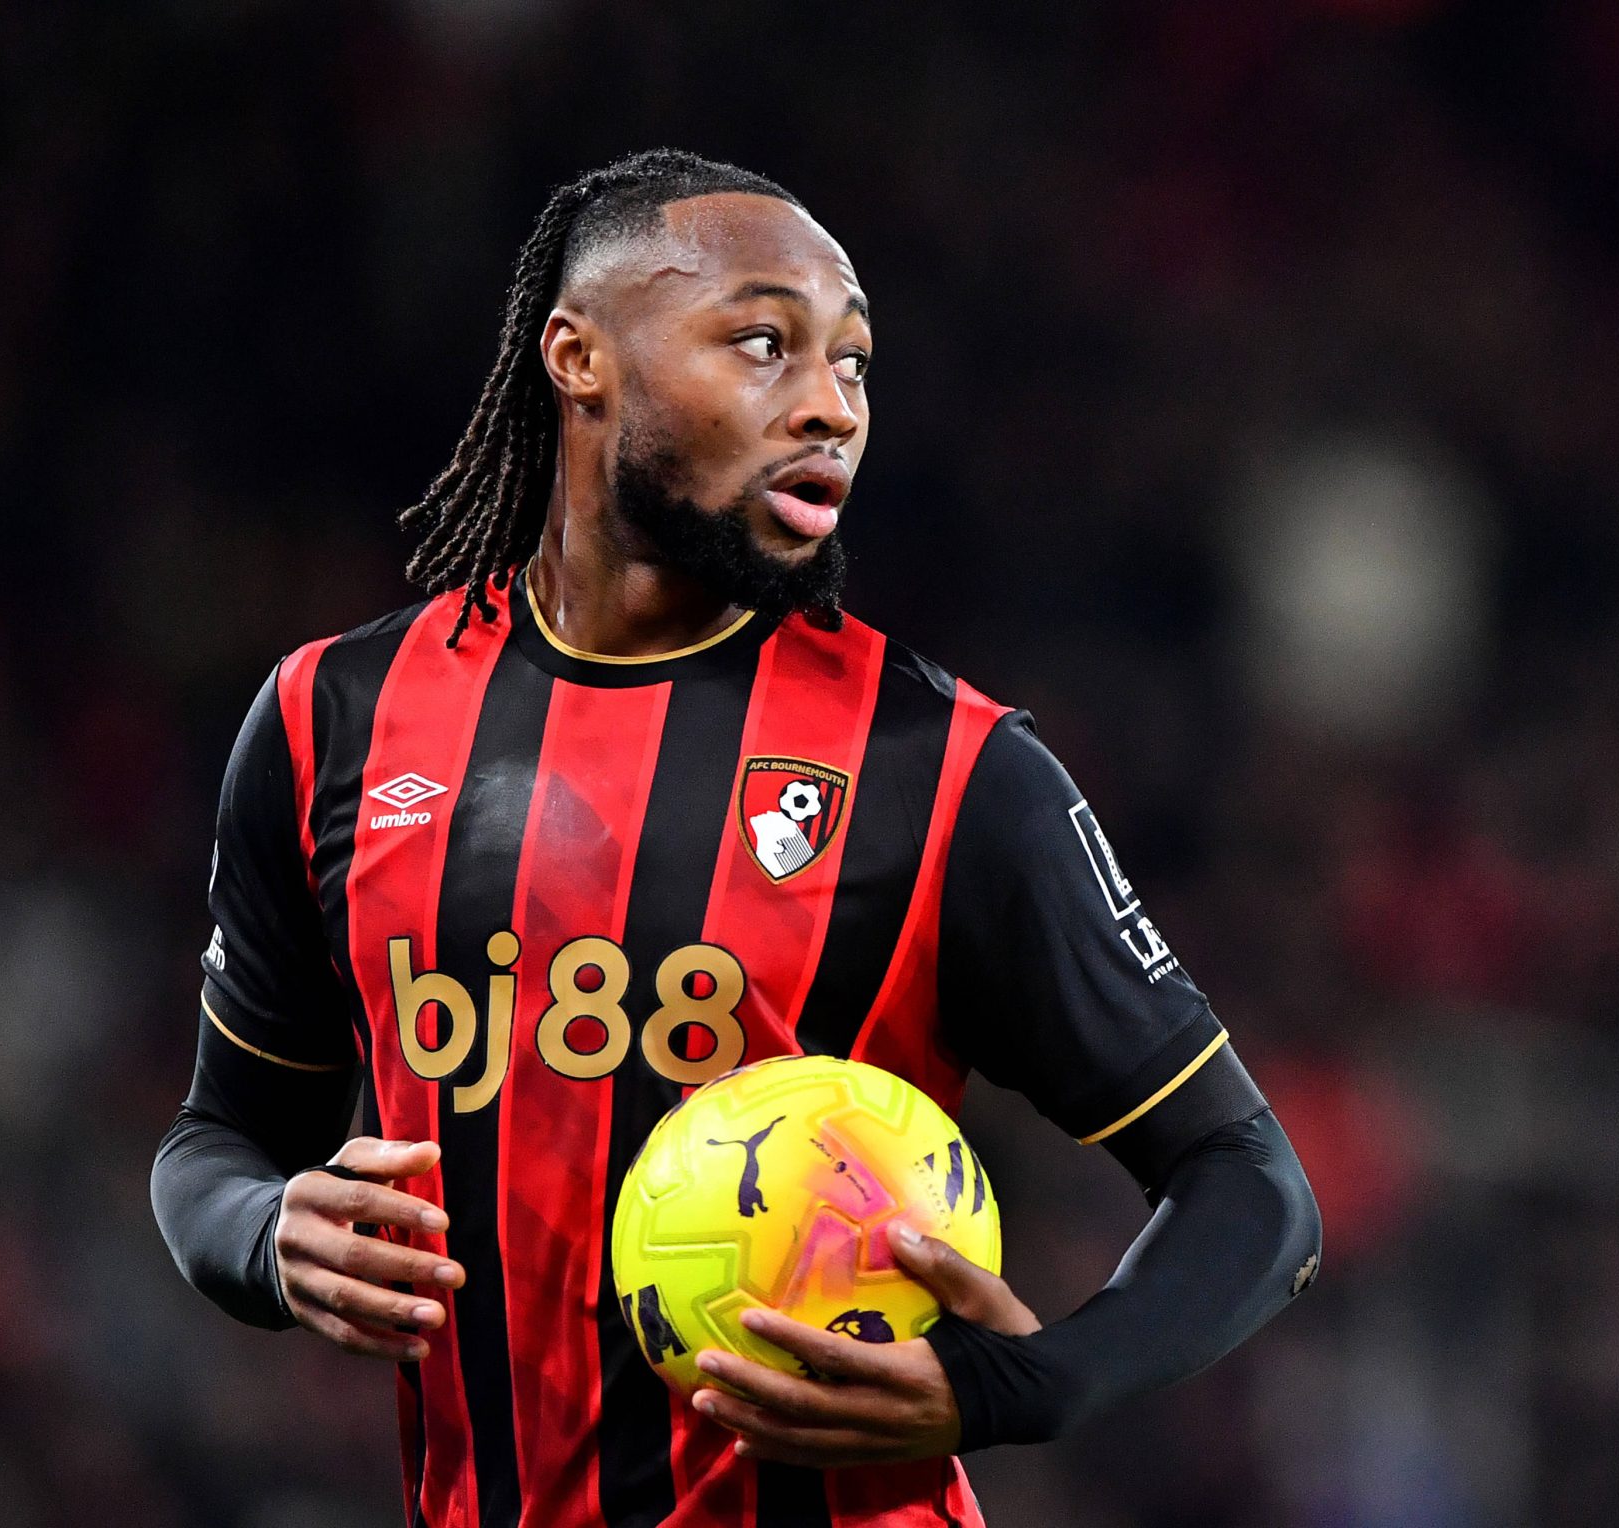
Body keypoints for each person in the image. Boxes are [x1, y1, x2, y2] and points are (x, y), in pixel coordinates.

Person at [151, 148, 1320, 1528]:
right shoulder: (330, 722)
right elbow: (218, 1142)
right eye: (764, 343)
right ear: (579, 358)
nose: (828, 406)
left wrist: (1023, 1386)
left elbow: (1253, 1187)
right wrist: (268, 1237)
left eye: (855, 365)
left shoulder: (943, 769)